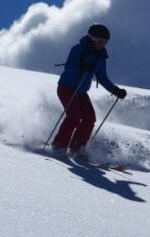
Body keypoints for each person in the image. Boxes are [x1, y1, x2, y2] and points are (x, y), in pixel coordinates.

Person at [51, 24, 127, 155]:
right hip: (67, 88)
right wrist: (83, 67)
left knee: (90, 118)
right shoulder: (79, 49)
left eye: (105, 42)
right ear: (92, 38)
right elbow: (70, 66)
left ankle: (77, 147)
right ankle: (59, 145)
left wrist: (115, 90)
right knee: (74, 116)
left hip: (80, 92)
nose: (102, 44)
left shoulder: (101, 56)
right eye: (100, 41)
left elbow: (102, 77)